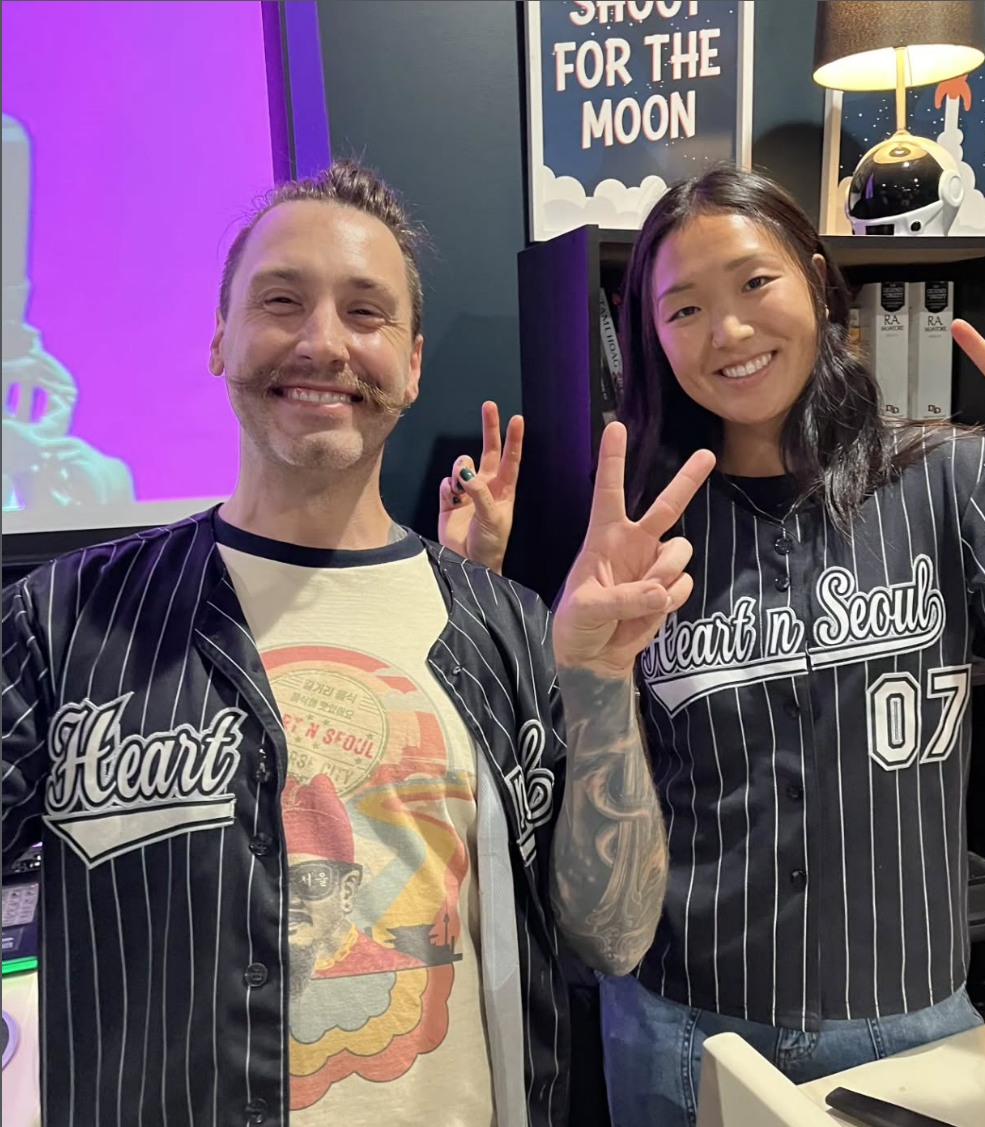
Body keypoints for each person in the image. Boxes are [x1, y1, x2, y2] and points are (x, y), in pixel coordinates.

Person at [0, 160, 716, 1127]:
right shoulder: (64, 621)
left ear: (412, 364)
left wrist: (598, 677)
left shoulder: (504, 627)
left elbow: (616, 933)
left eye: (365, 312)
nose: (323, 342)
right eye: (281, 300)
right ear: (219, 336)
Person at [571, 166, 985, 1125]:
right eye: (685, 309)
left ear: (816, 279)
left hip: (908, 1023)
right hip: (682, 1026)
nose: (729, 331)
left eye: (754, 282)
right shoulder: (636, 528)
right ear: (651, 333)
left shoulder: (948, 474)